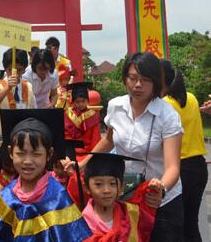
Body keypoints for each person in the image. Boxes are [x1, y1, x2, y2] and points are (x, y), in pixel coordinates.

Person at [90, 52, 183, 242]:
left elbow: (173, 166)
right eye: (133, 78)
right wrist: (81, 165)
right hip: (127, 198)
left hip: (160, 202)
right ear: (125, 78)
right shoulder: (115, 106)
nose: (138, 85)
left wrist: (161, 190)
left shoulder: (167, 115)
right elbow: (109, 141)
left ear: (155, 83)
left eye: (145, 80)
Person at [0, 108, 92, 241]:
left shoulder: (58, 198)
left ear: (49, 154)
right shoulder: (6, 197)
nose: (28, 161)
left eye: (36, 154)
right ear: (11, 153)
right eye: (21, 153)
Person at [161, 59, 208, 242]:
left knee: (177, 224)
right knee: (191, 222)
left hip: (179, 168)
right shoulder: (192, 98)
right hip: (199, 167)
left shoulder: (165, 104)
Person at [82, 153, 158, 241]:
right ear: (86, 188)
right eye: (98, 184)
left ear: (121, 187)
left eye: (112, 184)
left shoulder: (133, 214)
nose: (106, 190)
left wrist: (155, 189)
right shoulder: (81, 224)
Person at [0, 48, 37, 118]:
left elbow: (34, 110)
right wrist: (7, 88)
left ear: (24, 69)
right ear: (5, 69)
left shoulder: (29, 87)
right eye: (10, 70)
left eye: (19, 70)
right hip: (3, 128)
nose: (15, 74)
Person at [64, 82, 101, 158]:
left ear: (87, 101)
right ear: (73, 102)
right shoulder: (68, 114)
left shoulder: (93, 115)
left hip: (88, 153)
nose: (80, 104)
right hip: (70, 153)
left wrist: (95, 155)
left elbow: (95, 138)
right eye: (77, 102)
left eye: (83, 101)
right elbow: (66, 136)